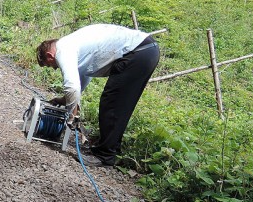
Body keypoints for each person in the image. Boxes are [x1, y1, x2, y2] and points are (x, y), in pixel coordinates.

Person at [36, 24, 160, 167]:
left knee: (112, 102)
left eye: (50, 65)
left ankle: (105, 156)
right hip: (147, 49)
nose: (54, 68)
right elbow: (79, 82)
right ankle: (112, 149)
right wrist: (65, 100)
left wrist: (72, 116)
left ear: (49, 56)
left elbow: (72, 87)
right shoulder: (73, 45)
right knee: (120, 104)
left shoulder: (63, 50)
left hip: (137, 53)